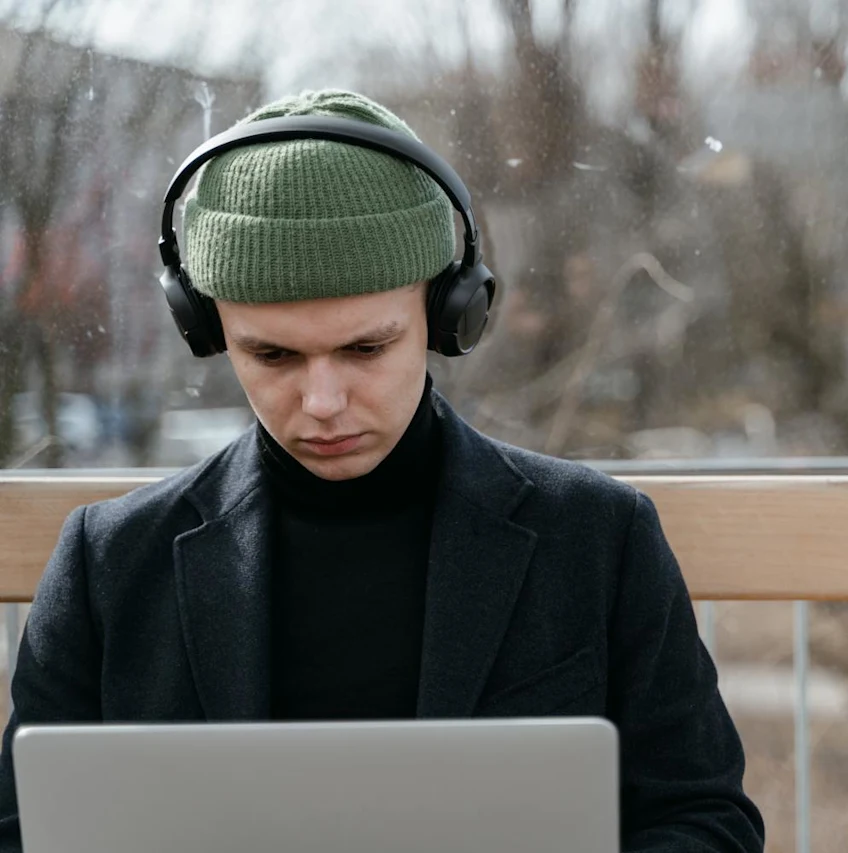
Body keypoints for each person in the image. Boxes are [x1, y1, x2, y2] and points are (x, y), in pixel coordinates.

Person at [0, 89, 765, 852]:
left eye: (366, 349)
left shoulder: (600, 541)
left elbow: (706, 820)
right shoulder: (107, 566)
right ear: (207, 328)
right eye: (273, 355)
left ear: (447, 312)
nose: (323, 402)